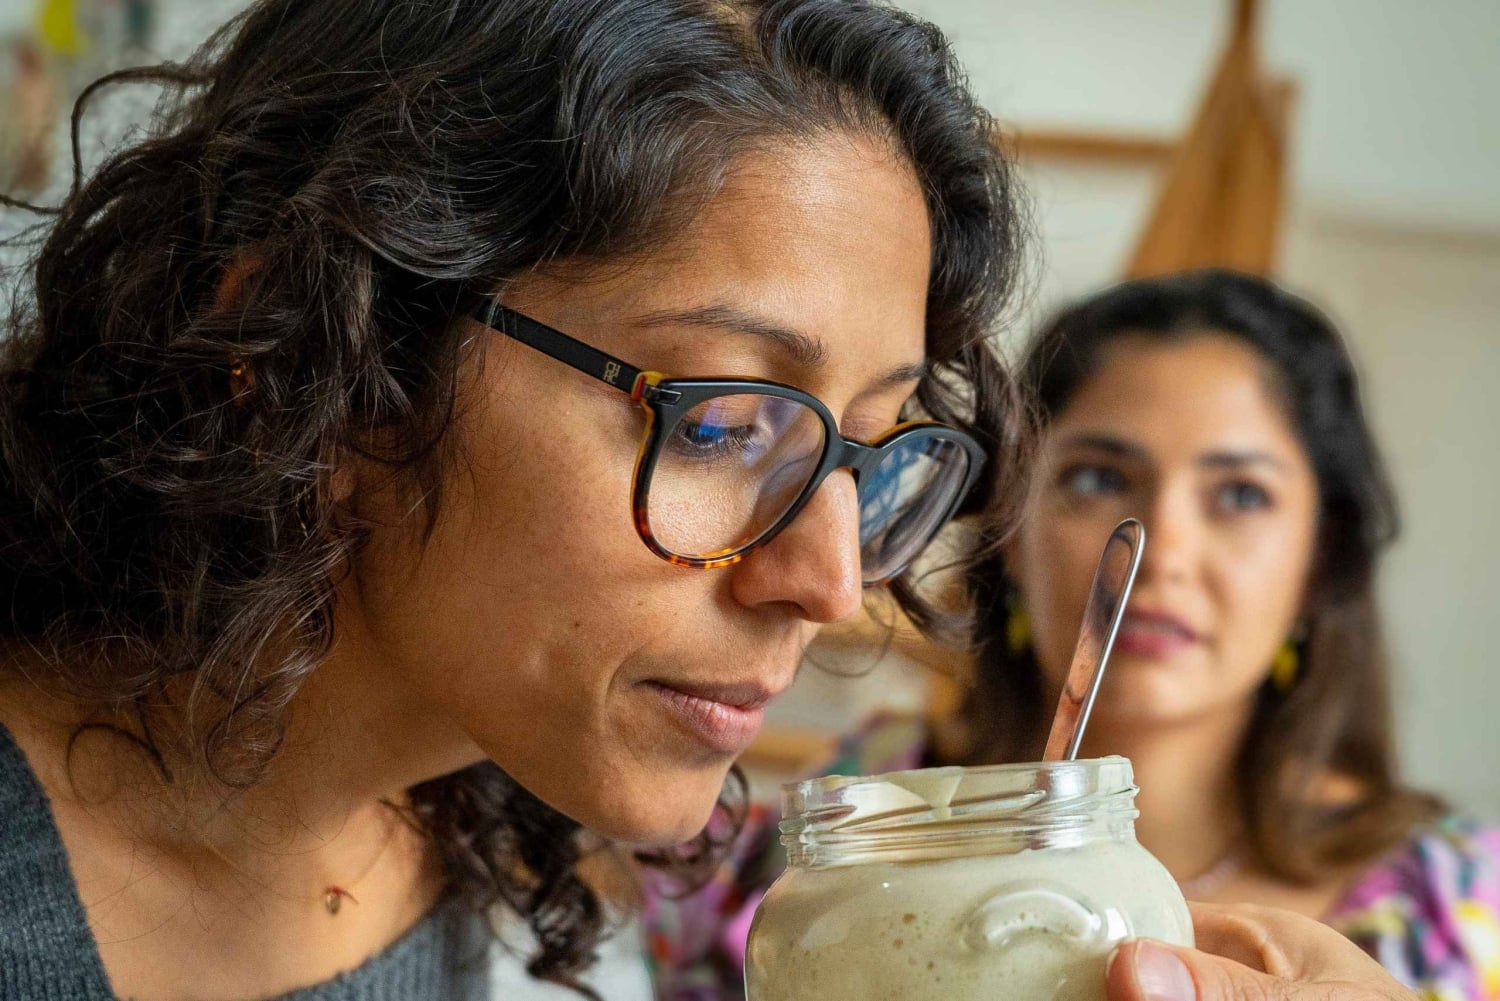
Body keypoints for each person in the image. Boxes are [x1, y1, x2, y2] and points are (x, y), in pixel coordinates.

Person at [0, 0, 1433, 996]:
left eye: (873, 455)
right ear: (314, 347)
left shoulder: (533, 888)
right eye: (730, 420)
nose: (827, 580)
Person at [648, 270, 1499, 1001]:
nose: (1161, 549)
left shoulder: (1460, 906)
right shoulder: (852, 820)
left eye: (1239, 494)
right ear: (1011, 532)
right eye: (1098, 476)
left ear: (1319, 561)